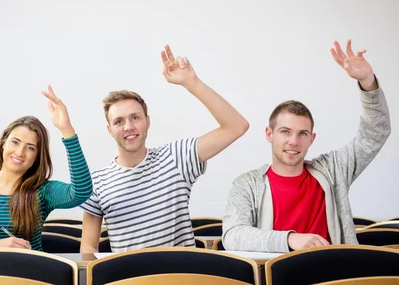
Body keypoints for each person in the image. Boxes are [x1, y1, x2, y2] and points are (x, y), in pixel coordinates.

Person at [222, 40, 391, 253]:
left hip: (335, 275)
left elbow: (375, 133)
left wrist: (368, 82)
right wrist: (291, 240)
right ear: (269, 134)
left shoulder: (333, 171)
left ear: (312, 139)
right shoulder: (247, 184)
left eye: (302, 134)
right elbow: (233, 235)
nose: (294, 141)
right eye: (285, 132)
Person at [80, 45, 250, 253]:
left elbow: (236, 126)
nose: (129, 127)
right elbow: (89, 246)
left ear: (147, 122)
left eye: (135, 117)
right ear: (110, 130)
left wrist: (191, 83)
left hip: (182, 277)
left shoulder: (176, 157)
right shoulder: (97, 181)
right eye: (119, 121)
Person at [0, 85, 92, 252]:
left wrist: (67, 130)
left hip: (31, 273)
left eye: (30, 147)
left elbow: (81, 192)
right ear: (3, 143)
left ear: (37, 156)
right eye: (15, 142)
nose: (20, 152)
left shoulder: (42, 191)